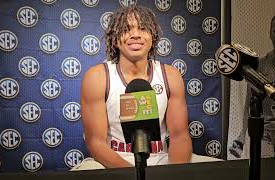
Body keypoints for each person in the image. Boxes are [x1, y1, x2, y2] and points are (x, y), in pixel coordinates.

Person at [76, 5, 219, 170]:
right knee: (88, 170)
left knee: (220, 169)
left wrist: (174, 174)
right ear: (115, 39)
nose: (135, 35)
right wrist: (132, 176)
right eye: (126, 30)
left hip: (160, 160)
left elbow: (179, 136)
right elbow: (95, 143)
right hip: (113, 163)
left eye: (143, 29)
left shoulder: (170, 75)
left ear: (153, 37)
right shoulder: (97, 77)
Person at [229, 16, 275, 158]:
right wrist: (241, 137)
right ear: (269, 33)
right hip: (265, 134)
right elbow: (250, 103)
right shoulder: (259, 65)